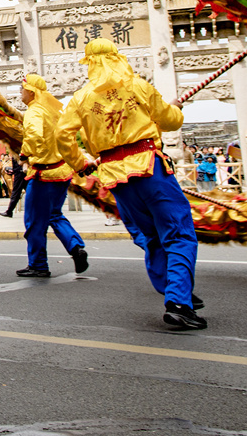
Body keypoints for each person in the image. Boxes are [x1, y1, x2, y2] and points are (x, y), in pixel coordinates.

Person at [56, 39, 204, 331]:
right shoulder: (137, 86)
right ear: (116, 57)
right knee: (179, 234)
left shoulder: (81, 98)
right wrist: (175, 109)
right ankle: (178, 300)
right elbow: (170, 121)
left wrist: (81, 163)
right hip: (149, 167)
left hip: (114, 174)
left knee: (150, 236)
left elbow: (63, 136)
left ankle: (175, 290)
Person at [16, 74, 87, 278]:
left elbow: (35, 136)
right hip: (61, 171)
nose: (20, 92)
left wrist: (25, 153)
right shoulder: (55, 111)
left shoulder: (34, 111)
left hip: (43, 175)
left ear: (31, 91)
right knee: (54, 215)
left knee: (34, 221)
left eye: (22, 89)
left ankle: (38, 264)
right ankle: (75, 246)